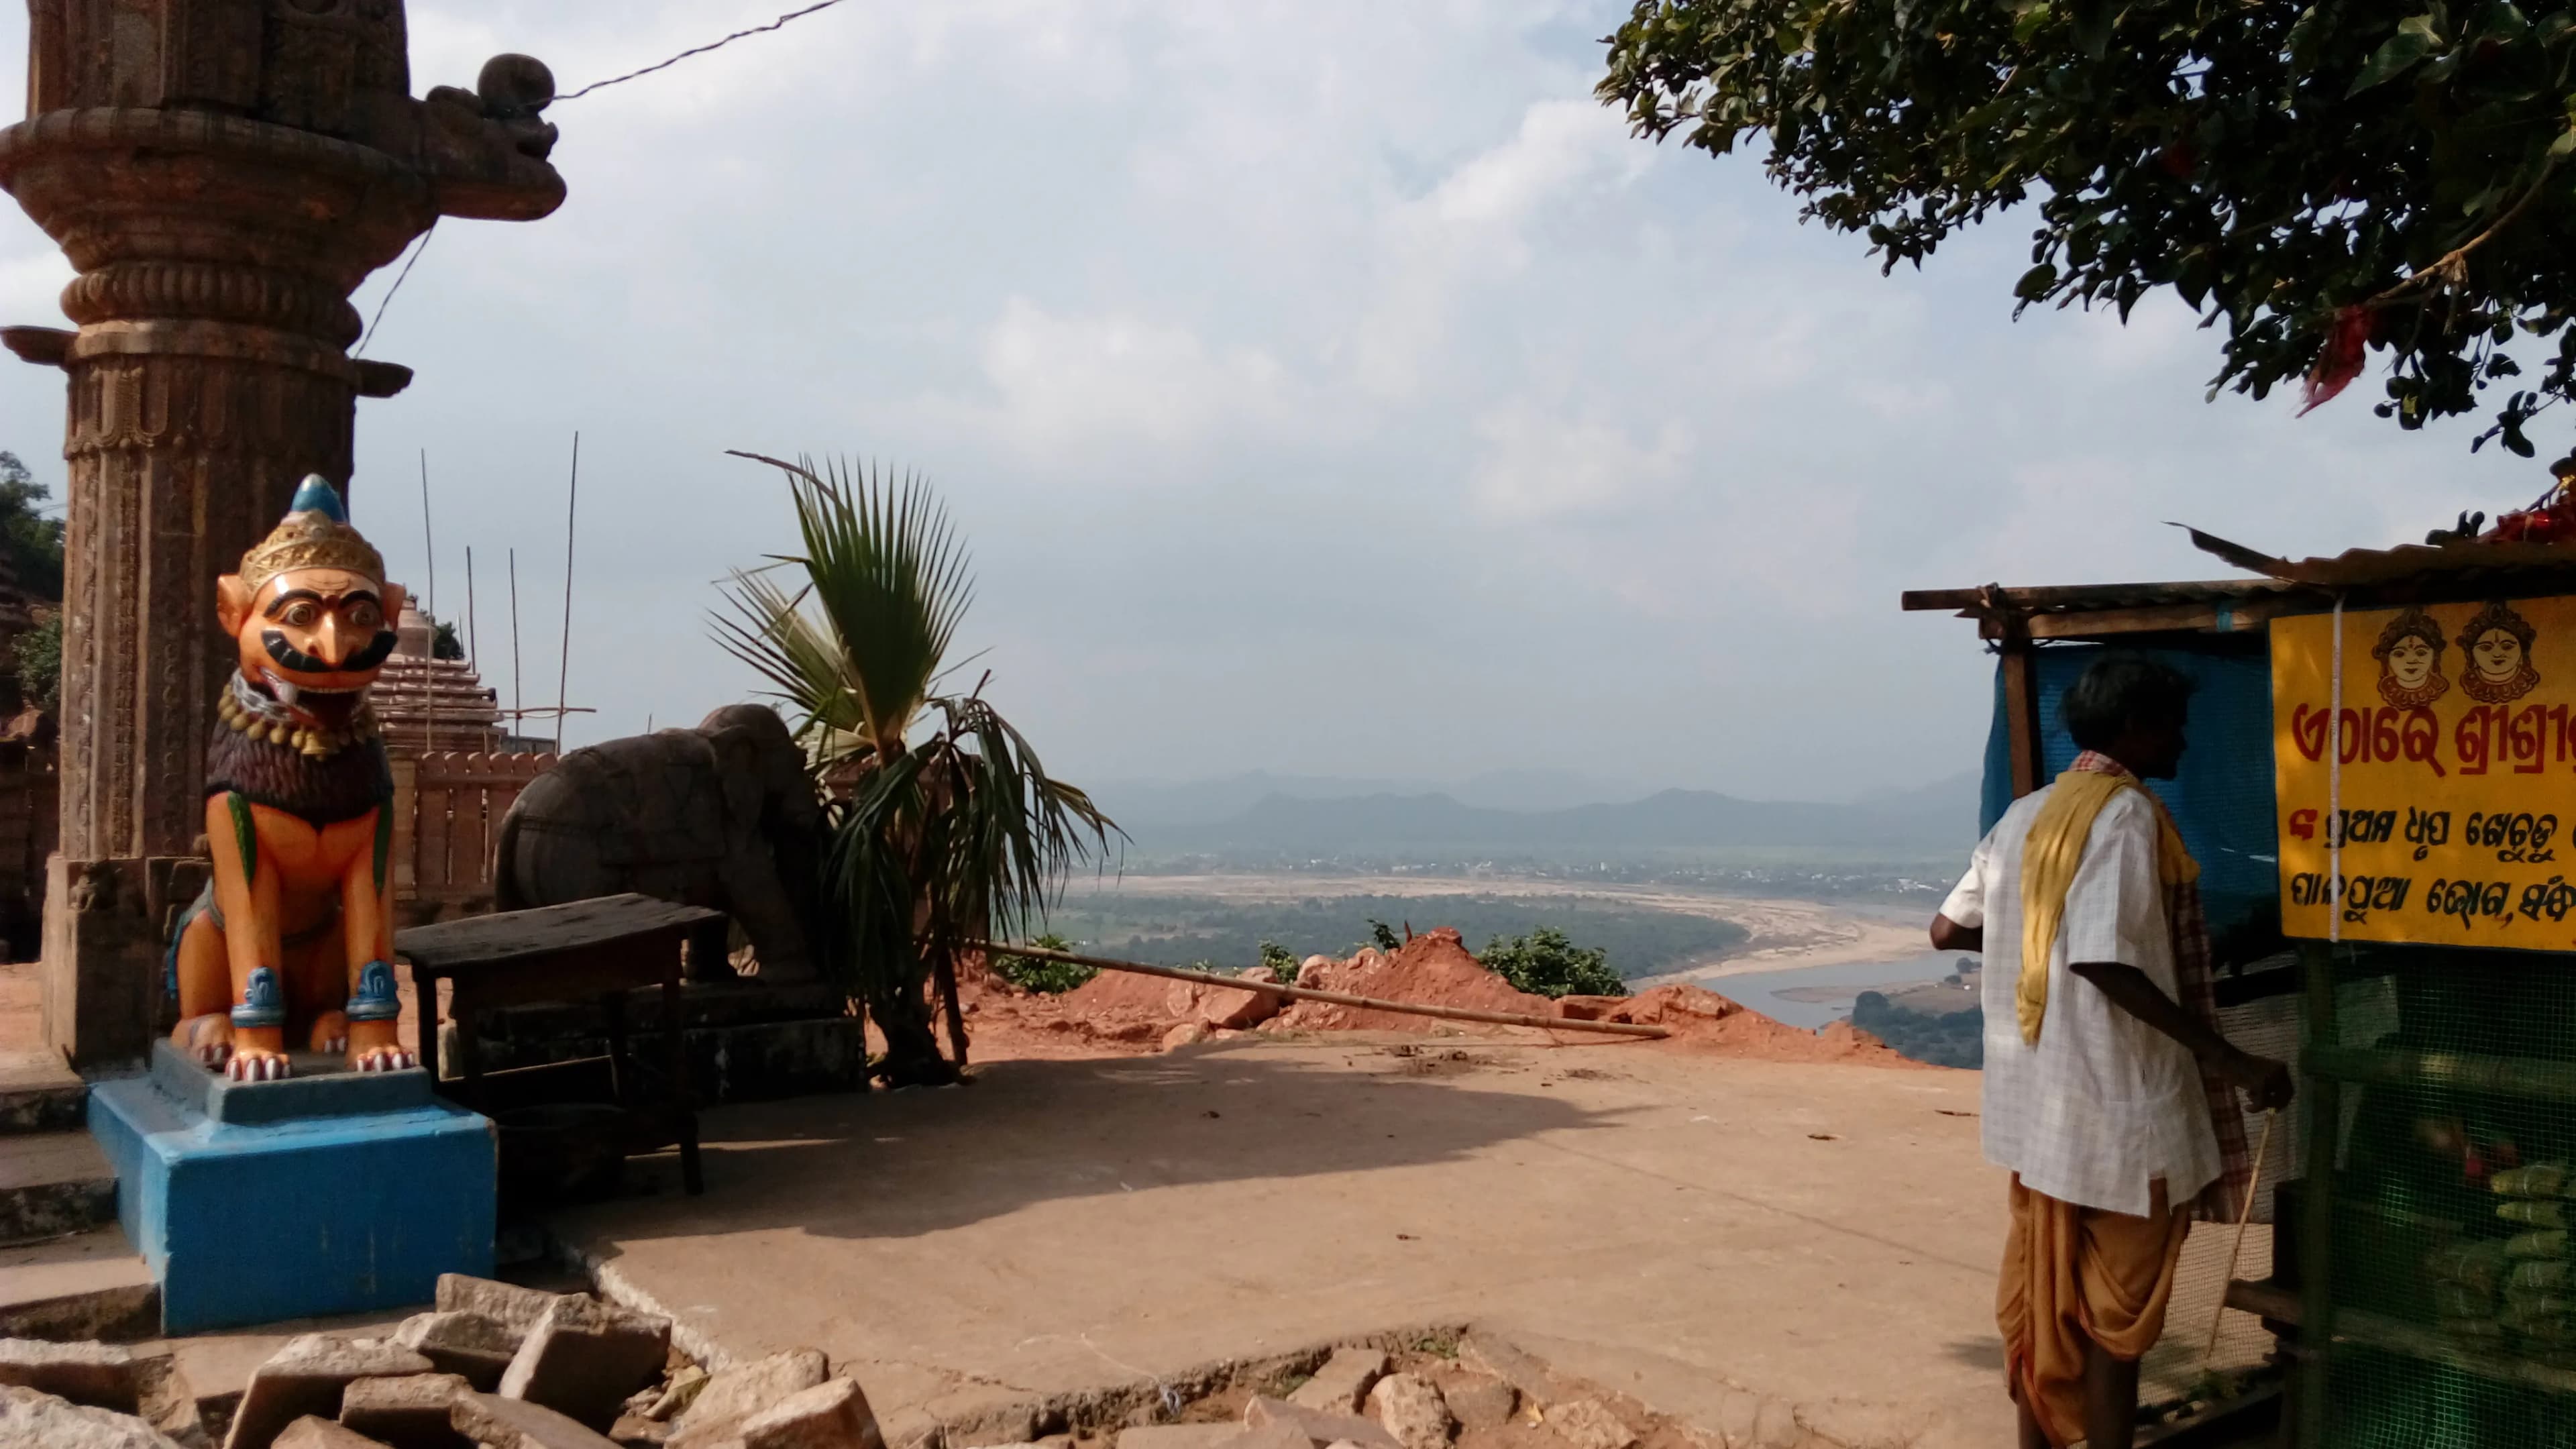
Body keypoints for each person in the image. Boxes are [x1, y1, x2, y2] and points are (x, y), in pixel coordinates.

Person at [1929, 653, 2294, 1449]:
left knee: (2048, 1312)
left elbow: (1948, 930)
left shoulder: (2026, 814)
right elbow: (2103, 958)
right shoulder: (2126, 817)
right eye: (2176, 725)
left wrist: (2038, 931)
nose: (2186, 745)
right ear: (2136, 727)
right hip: (2120, 1126)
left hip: (2038, 1123)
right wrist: (2234, 1062)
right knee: (2115, 1334)